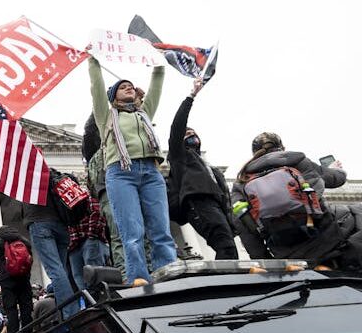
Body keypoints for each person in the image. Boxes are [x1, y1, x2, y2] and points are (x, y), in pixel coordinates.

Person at [88, 56, 177, 285]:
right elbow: (96, 86)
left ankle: (168, 271)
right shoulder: (106, 116)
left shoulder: (144, 113)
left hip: (150, 171)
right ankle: (138, 276)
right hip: (121, 173)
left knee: (161, 229)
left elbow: (157, 81)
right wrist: (93, 60)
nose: (127, 88)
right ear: (112, 97)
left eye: (130, 86)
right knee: (132, 231)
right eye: (121, 87)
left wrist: (158, 60)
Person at [232, 132, 349, 265]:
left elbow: (243, 227)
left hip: (284, 252)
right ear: (282, 147)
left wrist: (265, 260)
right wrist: (338, 170)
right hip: (325, 241)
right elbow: (336, 179)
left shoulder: (241, 181)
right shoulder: (298, 162)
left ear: (254, 153)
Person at [167, 78, 238, 259]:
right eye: (187, 133)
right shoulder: (179, 156)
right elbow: (177, 127)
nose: (191, 134)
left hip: (216, 205)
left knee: (229, 248)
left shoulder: (206, 165)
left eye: (193, 133)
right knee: (226, 246)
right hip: (198, 203)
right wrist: (190, 97)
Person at [22, 189, 78, 319]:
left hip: (40, 223)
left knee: (55, 271)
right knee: (62, 270)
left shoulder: (28, 177)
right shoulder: (52, 174)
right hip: (61, 225)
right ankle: (66, 309)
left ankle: (70, 313)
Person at [0, 226, 34, 333]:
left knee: (11, 310)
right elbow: (29, 256)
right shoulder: (21, 239)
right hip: (23, 278)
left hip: (7, 279)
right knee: (26, 308)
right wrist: (26, 272)